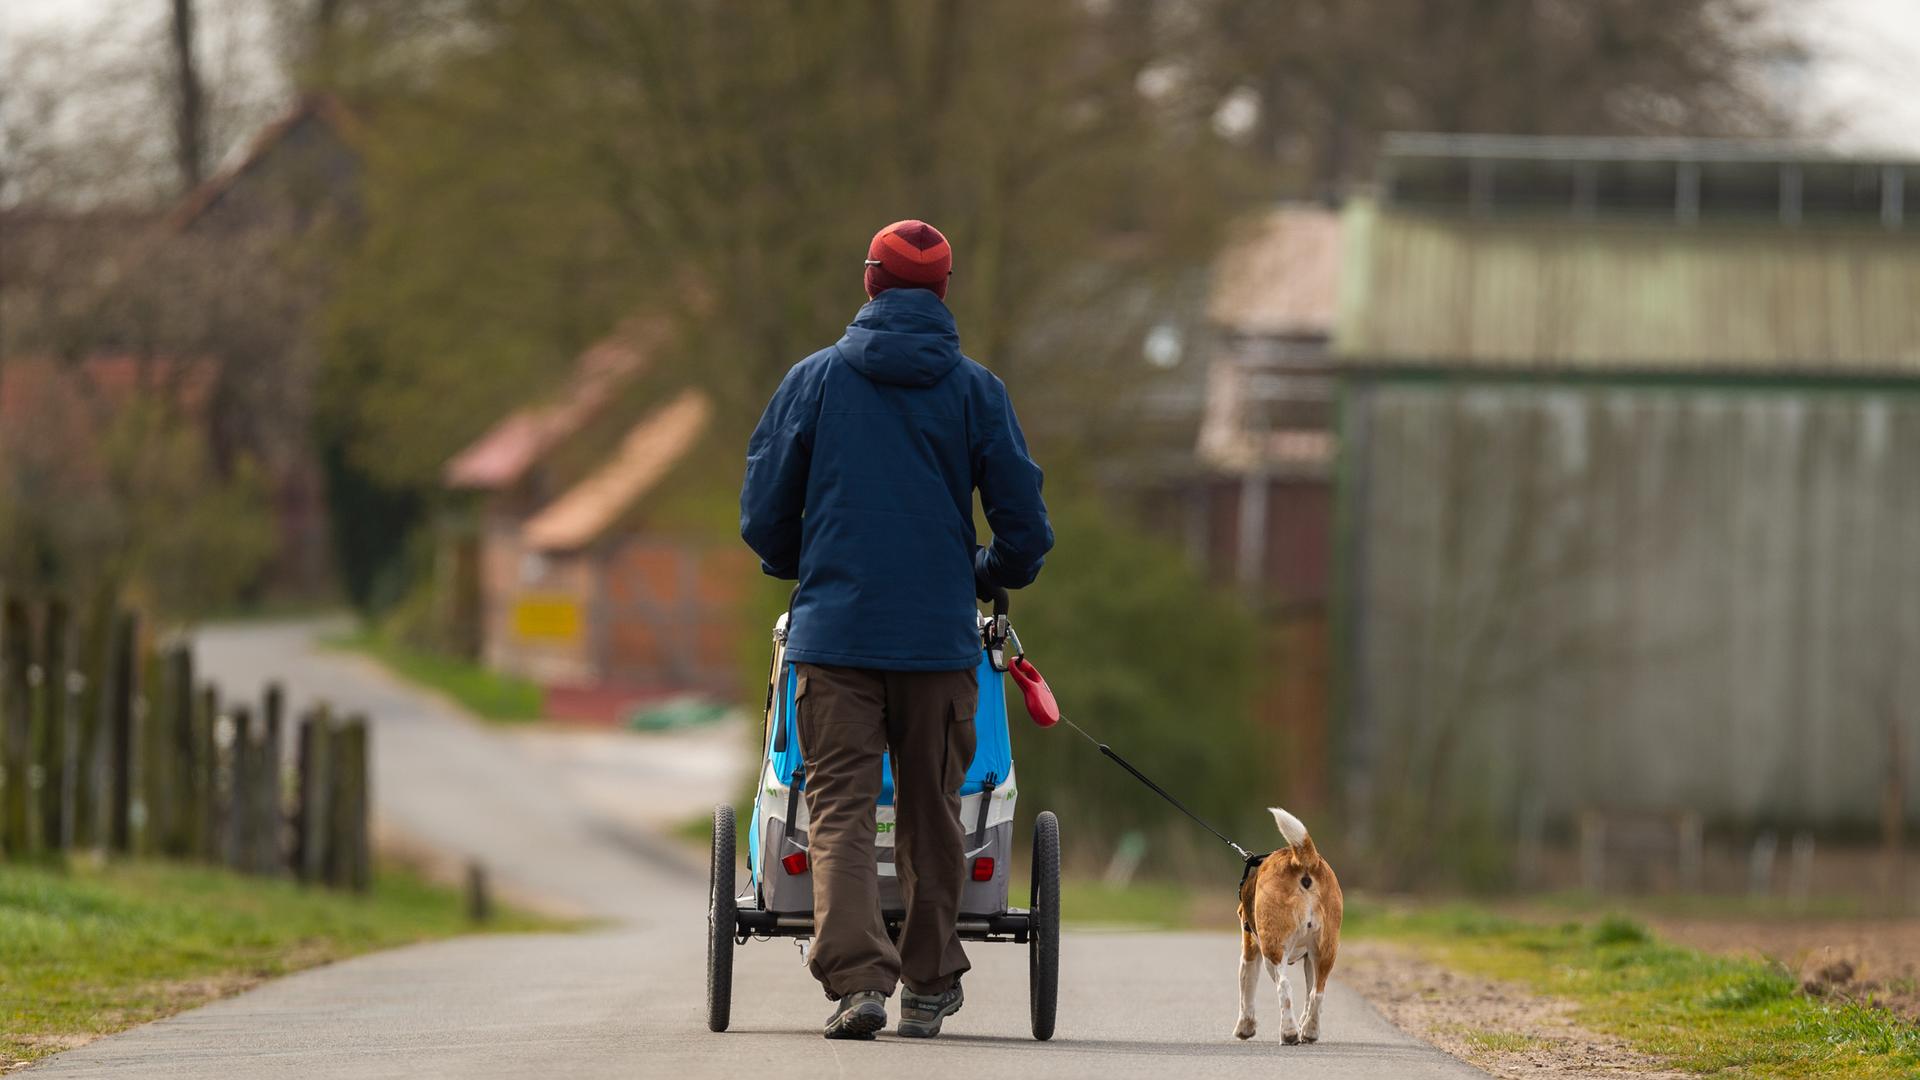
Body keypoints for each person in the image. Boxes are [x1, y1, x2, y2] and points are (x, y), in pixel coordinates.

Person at [740, 219, 1052, 1040]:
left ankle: (857, 983)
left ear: (871, 281)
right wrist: (980, 575)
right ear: (944, 289)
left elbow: (763, 509)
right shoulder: (978, 392)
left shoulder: (812, 383)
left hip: (834, 639)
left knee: (838, 807)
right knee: (931, 810)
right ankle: (928, 981)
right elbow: (1025, 531)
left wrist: (800, 564)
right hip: (936, 643)